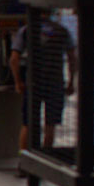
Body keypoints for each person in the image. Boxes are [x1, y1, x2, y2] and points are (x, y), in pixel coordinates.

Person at [10, 10, 76, 162]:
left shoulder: (27, 30)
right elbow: (73, 58)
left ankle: (25, 163)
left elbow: (14, 59)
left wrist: (18, 81)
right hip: (55, 83)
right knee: (50, 125)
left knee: (28, 123)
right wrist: (72, 81)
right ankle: (45, 161)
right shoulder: (62, 31)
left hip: (33, 83)